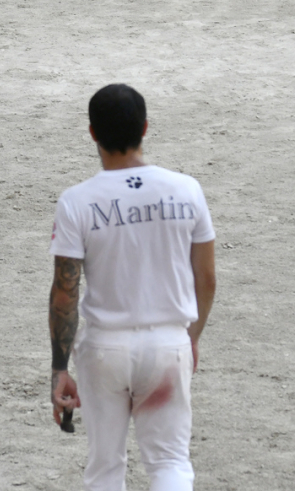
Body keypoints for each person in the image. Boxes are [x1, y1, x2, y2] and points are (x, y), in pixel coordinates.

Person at [49, 83, 215, 491]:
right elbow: (206, 279)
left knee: (105, 467)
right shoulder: (186, 190)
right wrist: (191, 336)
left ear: (92, 133)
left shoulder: (77, 201)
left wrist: (59, 367)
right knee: (170, 462)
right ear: (145, 127)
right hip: (167, 344)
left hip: (105, 349)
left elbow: (65, 293)